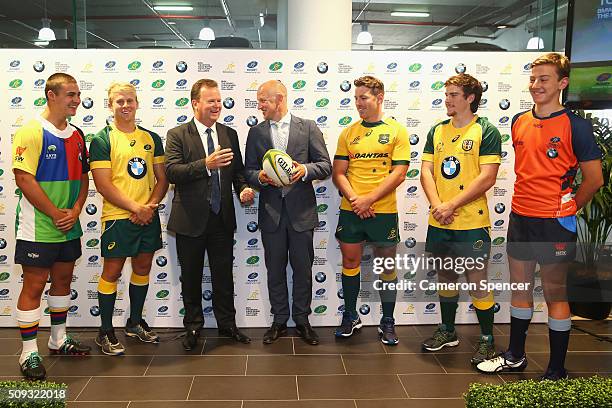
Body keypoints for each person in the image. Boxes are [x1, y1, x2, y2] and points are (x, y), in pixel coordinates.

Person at [477, 53, 603, 380]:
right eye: (533, 79)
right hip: (520, 217)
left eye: (544, 79)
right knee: (519, 288)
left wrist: (571, 206)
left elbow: (594, 179)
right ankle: (516, 356)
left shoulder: (577, 126)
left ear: (562, 83)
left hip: (554, 223)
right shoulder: (518, 120)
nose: (536, 85)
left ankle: (556, 369)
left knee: (554, 293)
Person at [165, 79, 255, 351]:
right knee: (191, 278)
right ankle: (193, 326)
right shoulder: (177, 134)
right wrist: (205, 165)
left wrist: (243, 189)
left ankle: (227, 325)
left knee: (223, 276)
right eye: (211, 101)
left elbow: (237, 172)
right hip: (189, 220)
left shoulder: (229, 134)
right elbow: (172, 172)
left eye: (219, 100)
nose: (217, 105)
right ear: (195, 103)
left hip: (222, 219)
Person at [12, 72, 91, 380]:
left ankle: (58, 339)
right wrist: (54, 213)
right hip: (39, 226)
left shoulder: (77, 134)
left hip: (68, 224)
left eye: (77, 94)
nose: (76, 100)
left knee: (62, 281)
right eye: (70, 94)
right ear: (52, 95)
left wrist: (74, 209)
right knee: (33, 286)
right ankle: (28, 352)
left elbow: (84, 177)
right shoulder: (31, 131)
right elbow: (23, 179)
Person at [419, 73, 501, 364]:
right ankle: (448, 330)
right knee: (445, 275)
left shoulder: (486, 131)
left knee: (477, 279)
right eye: (447, 94)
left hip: (471, 222)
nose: (448, 99)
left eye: (454, 94)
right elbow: (426, 171)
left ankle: (488, 339)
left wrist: (451, 203)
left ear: (470, 98)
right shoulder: (437, 130)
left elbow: (487, 177)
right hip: (440, 219)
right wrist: (439, 205)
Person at [244, 80, 331, 346]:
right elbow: (247, 171)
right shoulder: (256, 133)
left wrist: (303, 171)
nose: (259, 106)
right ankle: (279, 320)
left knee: (303, 270)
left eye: (263, 101)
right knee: (274, 270)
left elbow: (325, 165)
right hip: (271, 215)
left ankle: (303, 321)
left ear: (279, 99)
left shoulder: (308, 128)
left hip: (301, 213)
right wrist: (259, 176)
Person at [89, 82, 169, 355]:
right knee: (111, 272)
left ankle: (134, 322)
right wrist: (136, 208)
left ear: (137, 103)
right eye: (119, 101)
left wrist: (148, 207)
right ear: (110, 105)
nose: (125, 106)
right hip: (118, 217)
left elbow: (162, 178)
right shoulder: (101, 140)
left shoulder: (151, 138)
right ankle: (105, 331)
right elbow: (103, 184)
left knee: (143, 267)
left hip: (148, 214)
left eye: (130, 101)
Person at [332, 75, 410, 345]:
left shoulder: (397, 131)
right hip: (351, 209)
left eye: (363, 98)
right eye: (355, 98)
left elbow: (399, 173)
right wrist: (356, 199)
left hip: (383, 210)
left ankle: (388, 321)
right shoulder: (348, 132)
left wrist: (370, 200)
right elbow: (338, 173)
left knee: (387, 266)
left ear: (379, 98)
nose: (358, 103)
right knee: (350, 263)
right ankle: (351, 315)